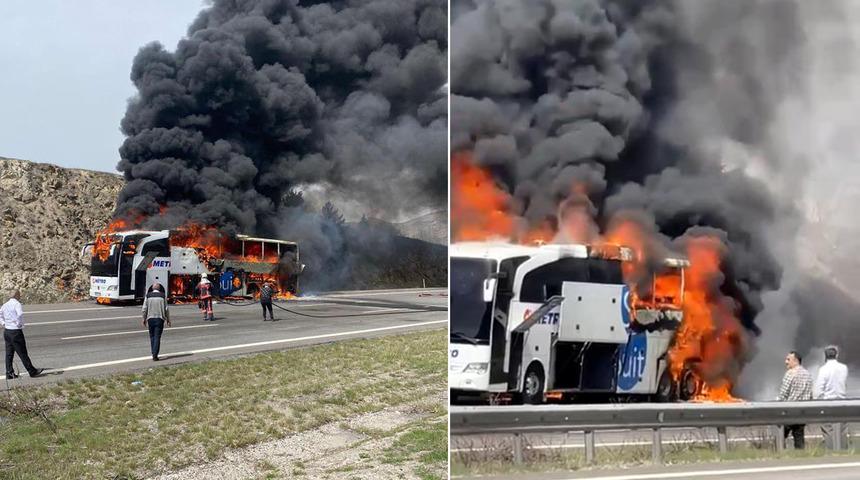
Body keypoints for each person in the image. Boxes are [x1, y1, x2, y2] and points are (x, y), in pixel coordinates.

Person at [1, 290, 44, 379]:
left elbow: (0, 315)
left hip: (7, 331)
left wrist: (3, 323)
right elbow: (20, 315)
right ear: (16, 295)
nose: (20, 296)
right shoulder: (17, 304)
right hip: (15, 332)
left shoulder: (5, 305)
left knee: (9, 354)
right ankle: (32, 371)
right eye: (19, 295)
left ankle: (9, 373)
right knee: (22, 352)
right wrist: (19, 324)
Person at [816, 345, 849, 449]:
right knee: (842, 430)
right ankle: (843, 452)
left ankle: (831, 451)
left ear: (825, 356)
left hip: (828, 403)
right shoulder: (844, 368)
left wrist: (817, 401)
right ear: (837, 355)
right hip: (842, 403)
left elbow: (819, 390)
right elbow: (844, 384)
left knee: (828, 429)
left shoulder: (823, 369)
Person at [778, 350, 813, 449]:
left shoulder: (790, 374)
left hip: (789, 412)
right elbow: (810, 395)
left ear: (796, 360)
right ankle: (800, 456)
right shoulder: (808, 375)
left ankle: (778, 454)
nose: (786, 362)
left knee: (779, 436)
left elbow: (783, 395)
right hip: (802, 412)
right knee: (799, 437)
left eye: (788, 359)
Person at [142, 282, 171, 361]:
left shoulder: (148, 295)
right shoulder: (163, 296)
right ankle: (155, 355)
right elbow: (166, 309)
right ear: (159, 288)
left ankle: (153, 352)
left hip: (150, 318)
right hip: (160, 318)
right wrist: (168, 319)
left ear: (152, 288)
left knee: (152, 336)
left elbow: (144, 308)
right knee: (157, 336)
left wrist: (144, 318)